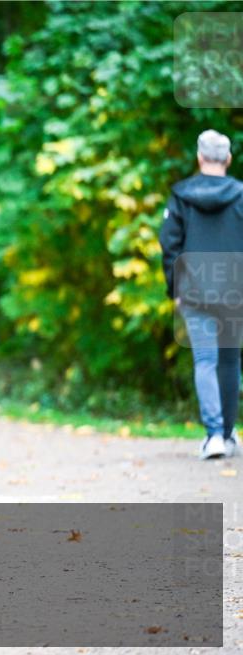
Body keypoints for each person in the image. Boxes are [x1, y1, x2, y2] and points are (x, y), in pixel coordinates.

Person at [161, 129, 243, 460]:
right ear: (228, 159)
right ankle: (226, 433)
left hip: (195, 291)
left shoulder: (180, 196)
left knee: (205, 360)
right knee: (230, 361)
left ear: (199, 157)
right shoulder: (241, 195)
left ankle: (214, 436)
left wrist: (175, 287)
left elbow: (169, 244)